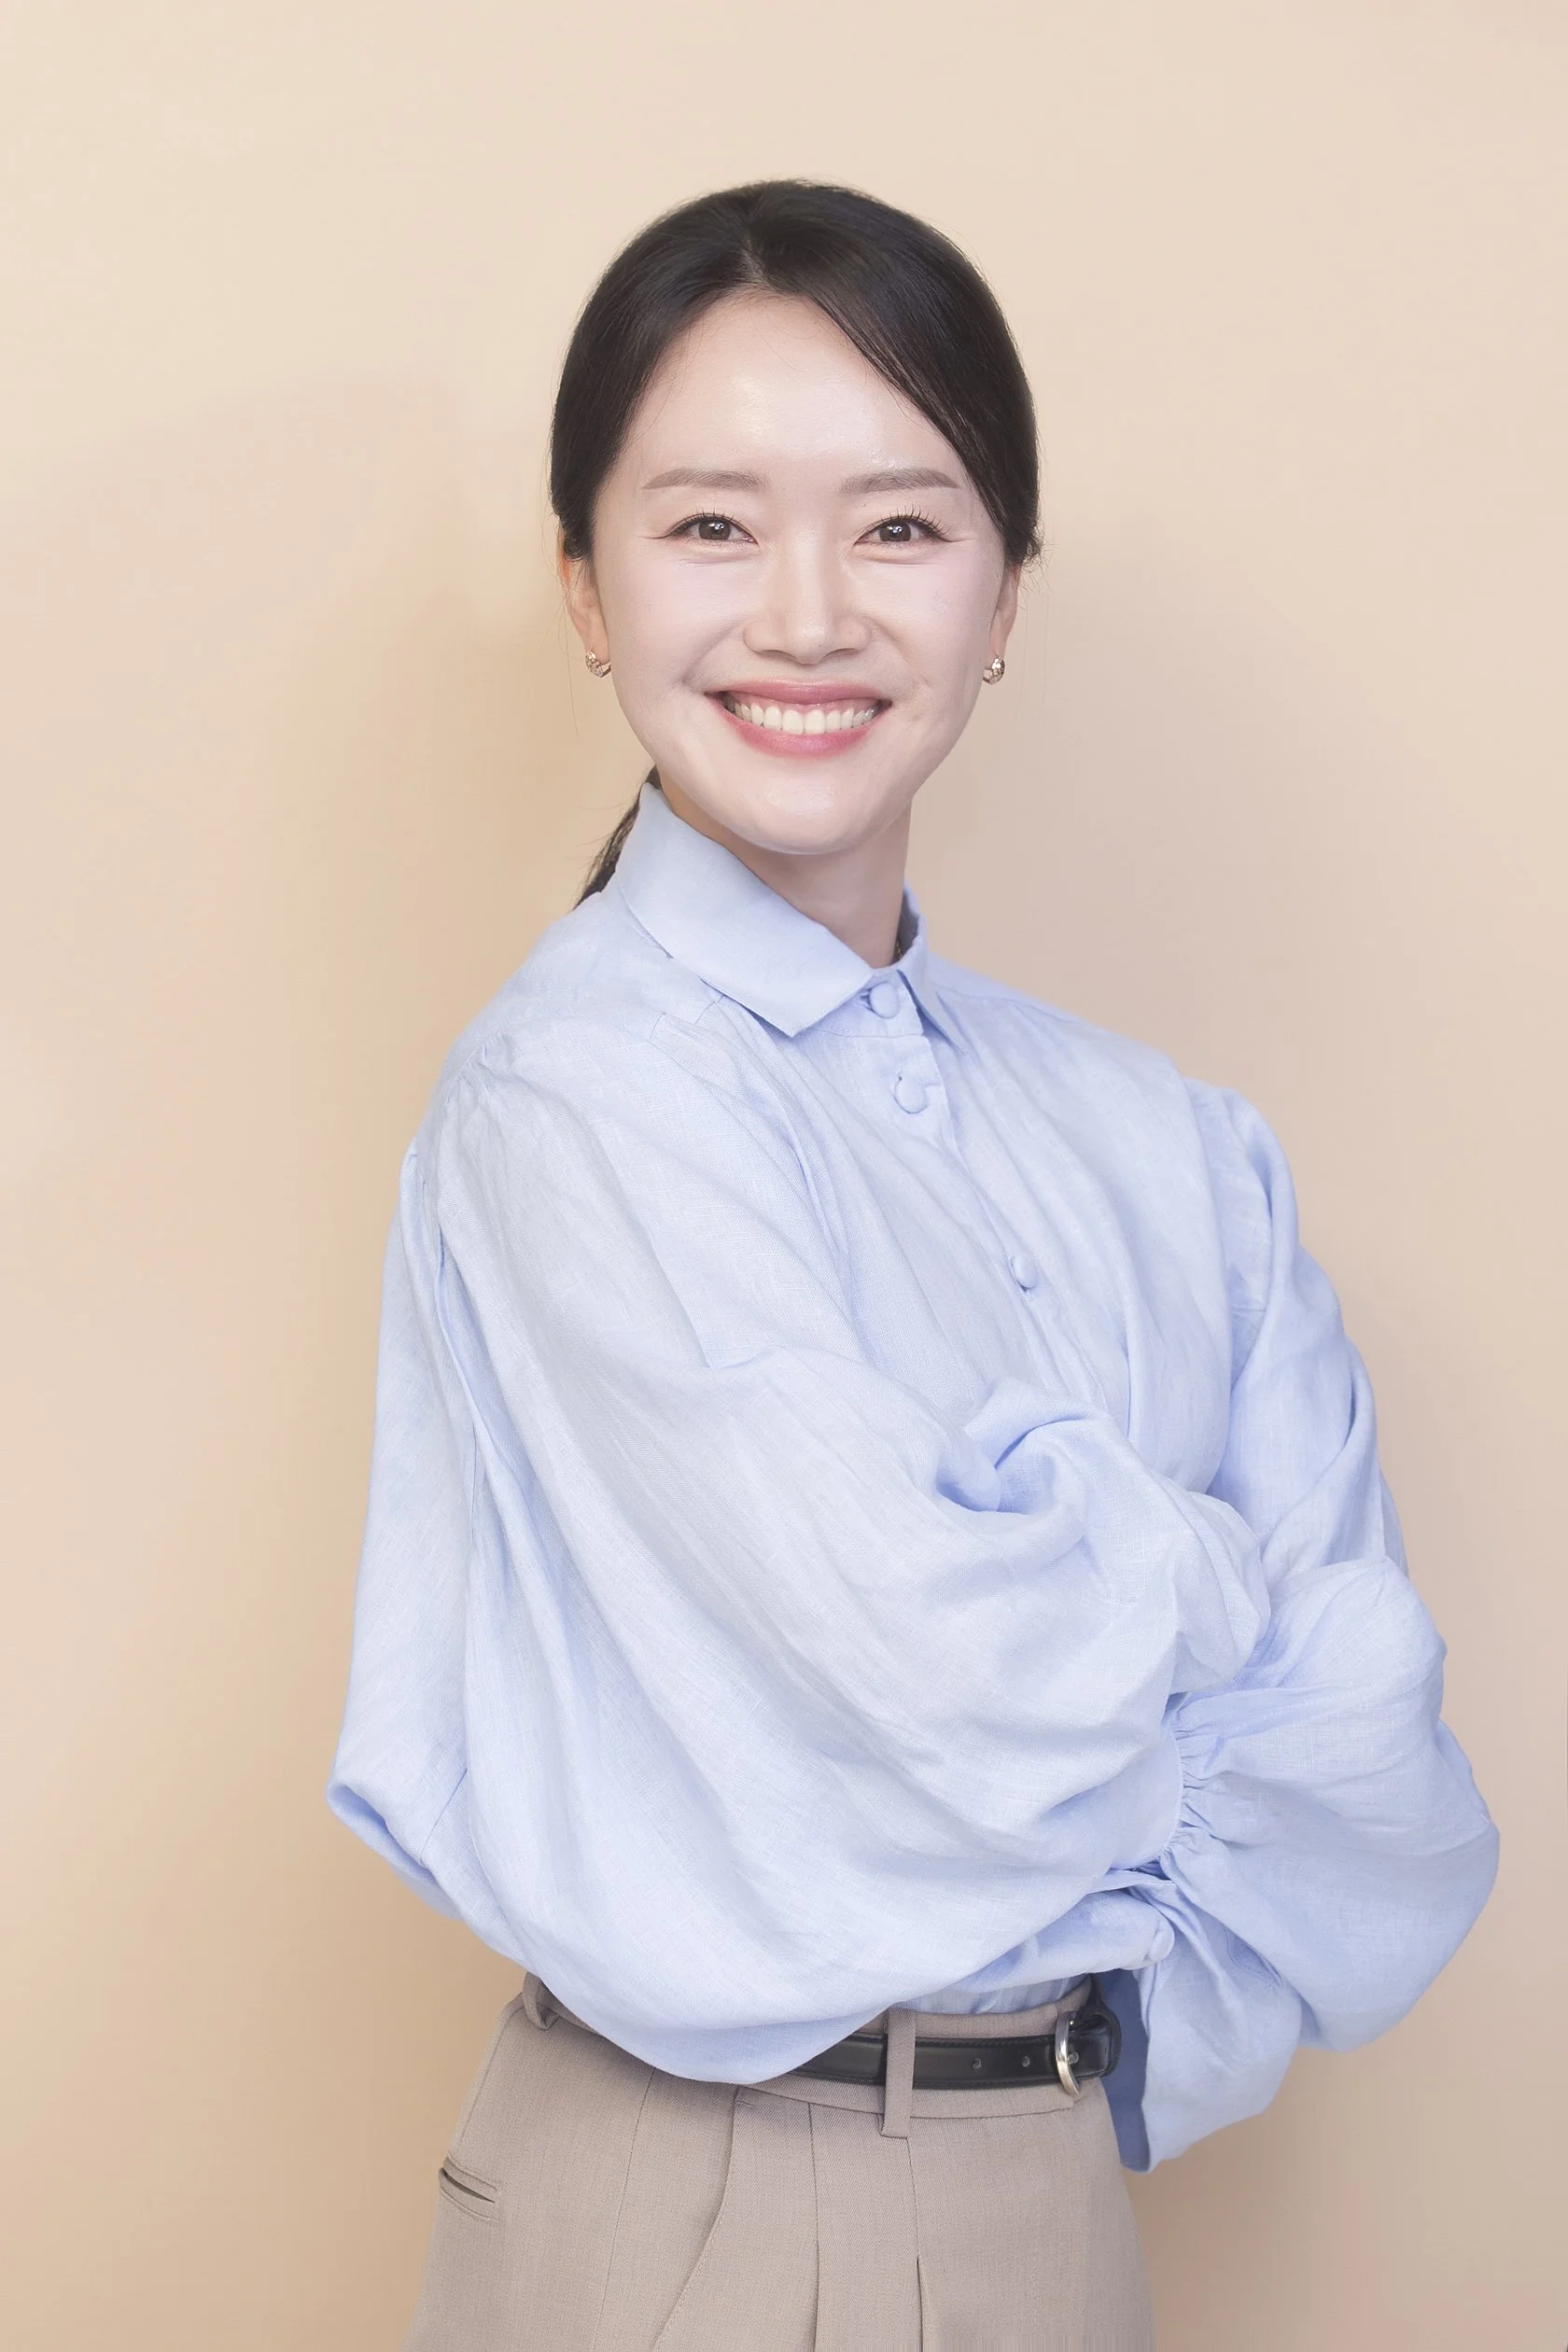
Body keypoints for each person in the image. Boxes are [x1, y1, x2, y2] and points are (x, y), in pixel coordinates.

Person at [328, 181, 1497, 2348]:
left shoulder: (1162, 1142)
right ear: (582, 590)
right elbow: (920, 1677)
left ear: (1006, 591)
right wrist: (1211, 1594)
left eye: (897, 525)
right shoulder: (576, 1101)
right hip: (705, 2204)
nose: (806, 614)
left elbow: (1380, 1753)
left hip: (1055, 2180)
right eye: (707, 528)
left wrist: (1069, 1579)